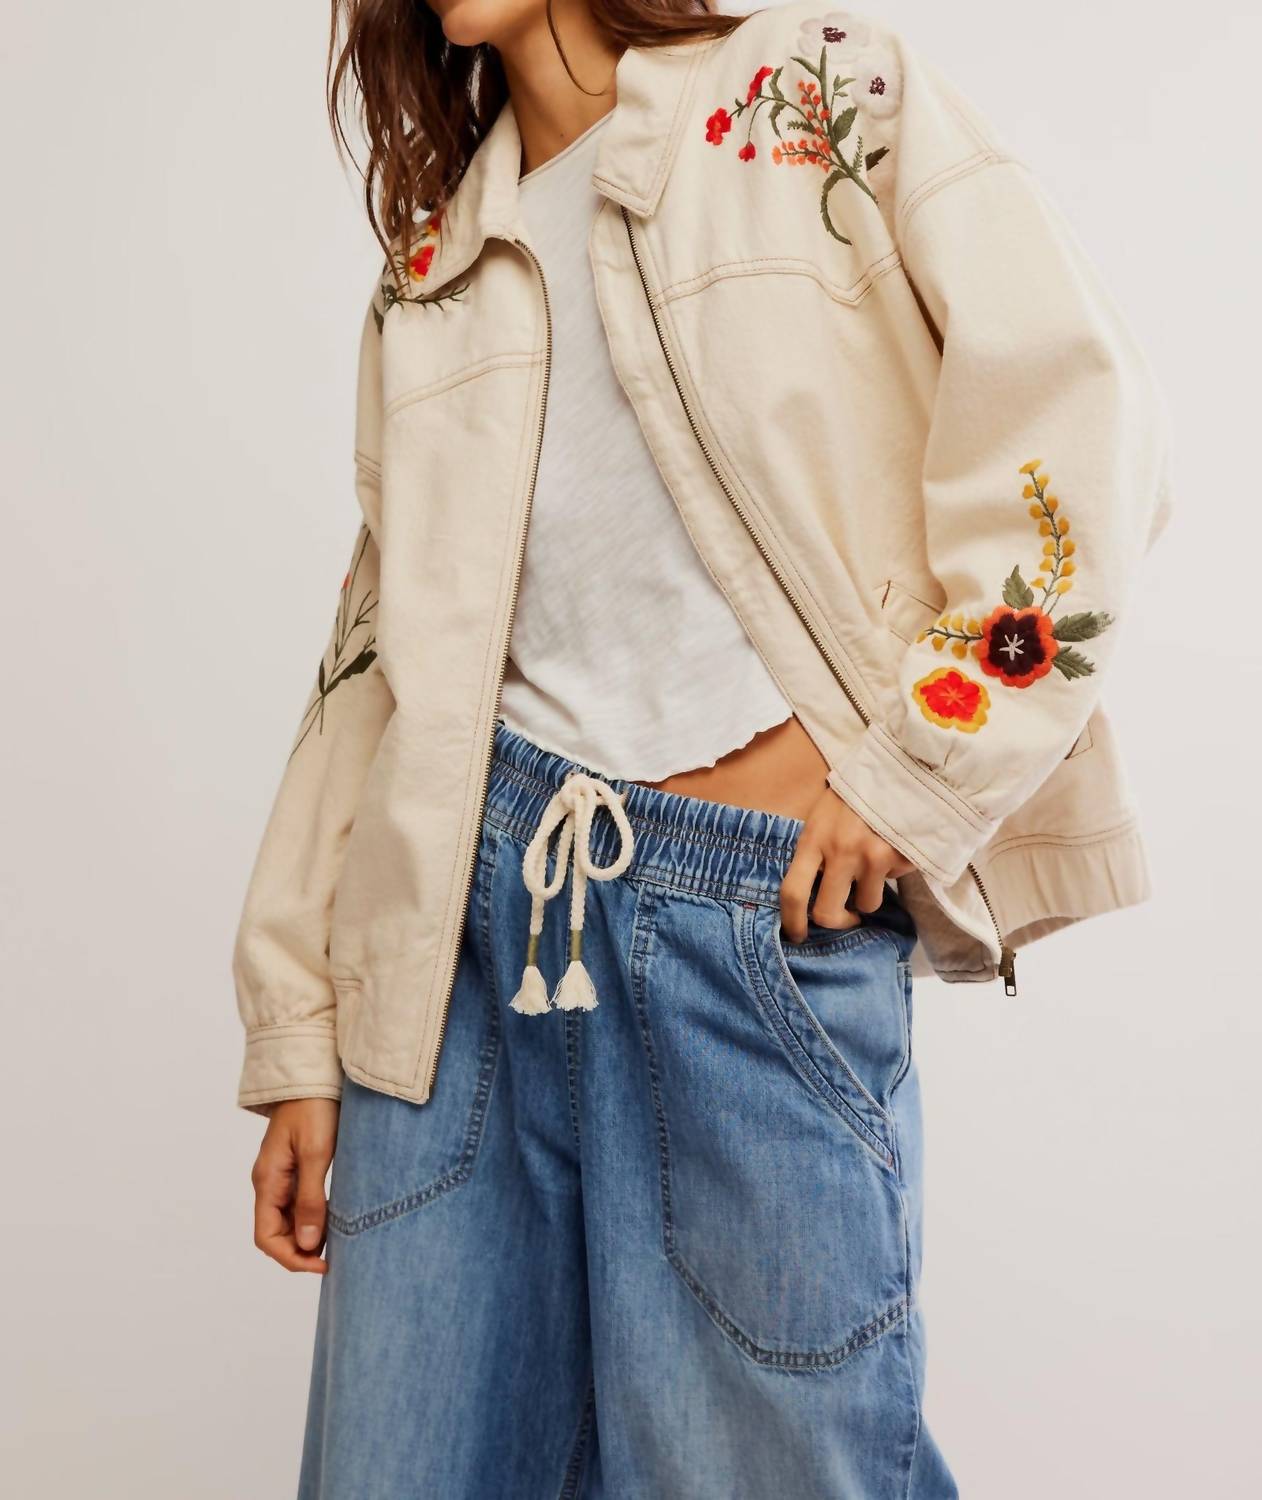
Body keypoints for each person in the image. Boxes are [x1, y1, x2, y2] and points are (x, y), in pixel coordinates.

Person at [232, 1, 1173, 1494]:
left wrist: (918, 764)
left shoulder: (810, 92)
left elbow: (1070, 413)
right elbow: (372, 662)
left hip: (743, 932)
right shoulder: (433, 267)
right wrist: (301, 1028)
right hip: (457, 960)